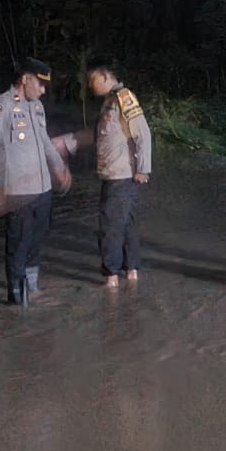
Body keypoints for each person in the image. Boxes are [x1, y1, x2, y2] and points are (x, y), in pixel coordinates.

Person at [53, 56, 152, 289]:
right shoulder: (110, 101)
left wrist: (143, 169)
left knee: (109, 226)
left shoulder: (123, 98)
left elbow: (143, 134)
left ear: (105, 76)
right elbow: (100, 135)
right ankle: (131, 271)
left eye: (92, 79)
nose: (89, 85)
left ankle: (111, 277)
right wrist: (66, 143)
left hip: (121, 175)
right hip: (115, 173)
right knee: (125, 223)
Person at [0, 57, 71, 307]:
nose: (43, 90)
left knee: (36, 239)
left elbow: (45, 141)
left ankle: (32, 287)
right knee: (19, 242)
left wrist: (59, 168)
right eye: (40, 84)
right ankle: (17, 297)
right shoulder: (2, 106)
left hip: (42, 188)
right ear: (25, 79)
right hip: (18, 191)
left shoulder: (37, 107)